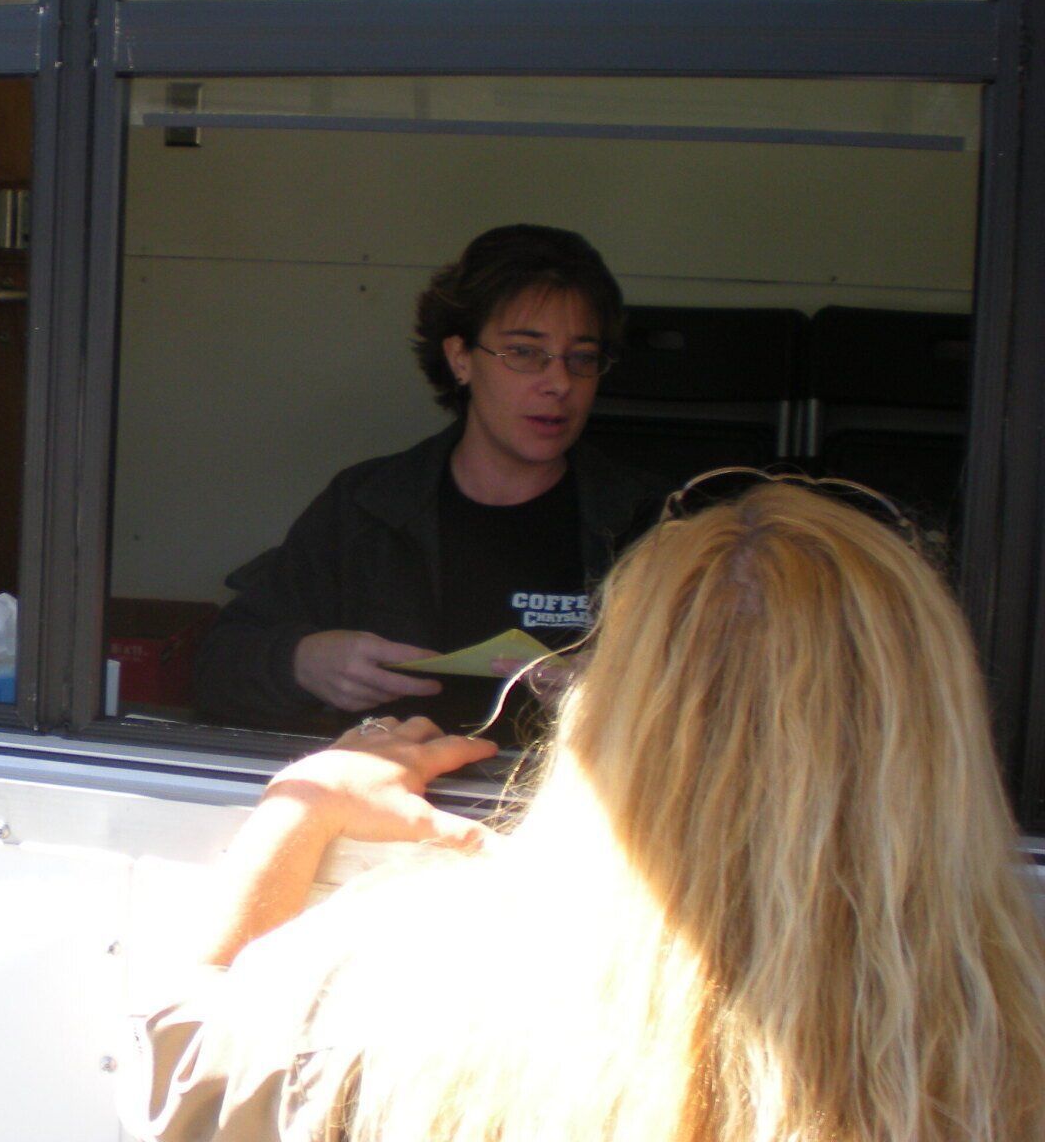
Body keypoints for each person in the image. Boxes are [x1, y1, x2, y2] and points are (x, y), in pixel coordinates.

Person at [128, 478, 1045, 1141]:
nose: (555, 382)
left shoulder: (399, 999)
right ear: (942, 736)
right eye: (526, 352)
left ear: (609, 714)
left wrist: (303, 803)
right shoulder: (1008, 1058)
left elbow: (180, 1068)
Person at [193, 224, 665, 740]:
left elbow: (734, 706)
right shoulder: (367, 505)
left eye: (582, 359)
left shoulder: (645, 522)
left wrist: (625, 693)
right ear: (460, 358)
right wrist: (301, 663)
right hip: (394, 805)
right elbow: (218, 666)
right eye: (525, 353)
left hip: (569, 811)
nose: (559, 383)